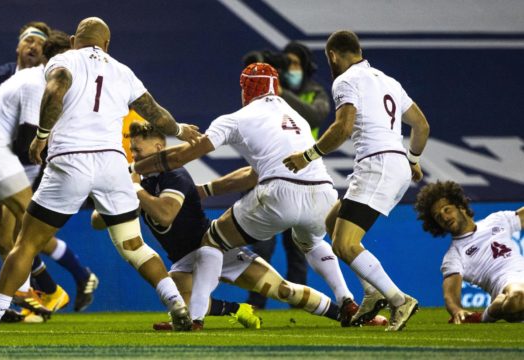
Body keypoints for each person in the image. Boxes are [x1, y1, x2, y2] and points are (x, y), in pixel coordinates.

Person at [0, 17, 201, 334]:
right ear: (107, 44)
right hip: (112, 165)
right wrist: (180, 130)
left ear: (73, 40)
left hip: (71, 161)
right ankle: (177, 305)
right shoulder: (123, 71)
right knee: (135, 246)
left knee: (27, 242)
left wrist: (41, 135)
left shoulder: (63, 59)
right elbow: (154, 112)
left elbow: (56, 90)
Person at [130, 62, 361, 327]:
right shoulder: (297, 118)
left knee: (216, 245)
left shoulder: (233, 121)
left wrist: (133, 171)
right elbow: (254, 173)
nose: (135, 154)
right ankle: (347, 303)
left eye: (138, 150)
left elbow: (180, 160)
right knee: (312, 244)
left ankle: (195, 320)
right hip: (321, 192)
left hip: (274, 196)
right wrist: (207, 190)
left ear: (246, 88)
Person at [92, 122, 381, 329]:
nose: (135, 157)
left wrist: (135, 192)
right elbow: (98, 222)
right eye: (131, 151)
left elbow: (166, 215)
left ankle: (346, 313)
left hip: (216, 248)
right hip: (184, 261)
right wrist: (114, 200)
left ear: (158, 148)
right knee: (181, 305)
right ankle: (235, 309)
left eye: (139, 150)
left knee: (283, 291)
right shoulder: (140, 183)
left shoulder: (174, 176)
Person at [283, 30, 430, 331]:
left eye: (329, 59)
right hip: (392, 162)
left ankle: (399, 300)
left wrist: (307, 156)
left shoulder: (345, 80)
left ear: (333, 56)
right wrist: (413, 160)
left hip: (378, 165)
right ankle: (372, 290)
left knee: (345, 244)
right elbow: (421, 126)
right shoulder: (389, 81)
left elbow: (343, 128)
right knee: (331, 224)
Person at [0, 23, 99, 315]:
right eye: (27, 40)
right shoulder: (1, 75)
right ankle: (54, 287)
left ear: (45, 54)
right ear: (18, 46)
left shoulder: (48, 80)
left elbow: (39, 129)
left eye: (38, 43)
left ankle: (30, 297)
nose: (32, 46)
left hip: (29, 160)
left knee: (14, 234)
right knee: (1, 232)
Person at [242, 41, 331, 309]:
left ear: (305, 66)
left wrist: (276, 93)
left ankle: (299, 305)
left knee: (299, 250)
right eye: (285, 64)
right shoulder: (265, 102)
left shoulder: (315, 93)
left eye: (294, 63)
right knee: (262, 247)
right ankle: (257, 300)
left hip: (305, 175)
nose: (290, 69)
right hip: (269, 175)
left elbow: (316, 117)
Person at [414, 180, 524, 323]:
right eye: (438, 217)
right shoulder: (454, 255)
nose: (445, 217)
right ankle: (496, 310)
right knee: (518, 297)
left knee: (517, 311)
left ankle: (491, 312)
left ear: (461, 207)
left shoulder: (497, 220)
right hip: (506, 283)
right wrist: (457, 311)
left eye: (447, 209)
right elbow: (450, 295)